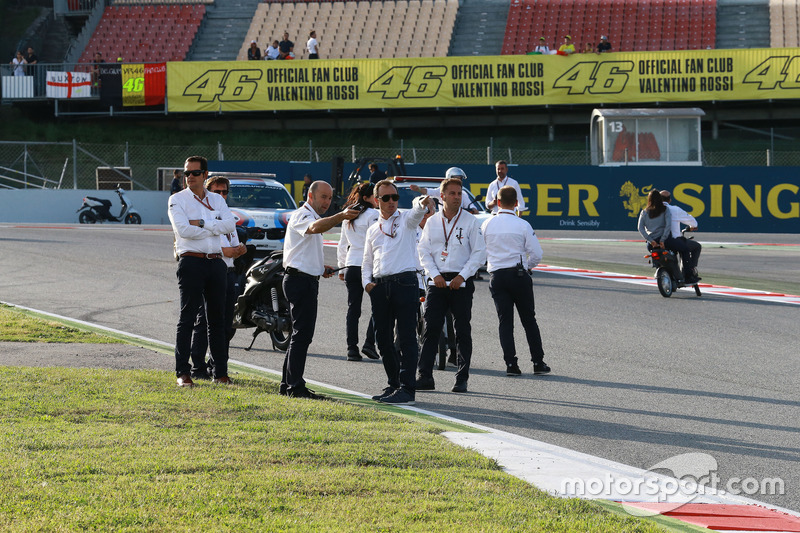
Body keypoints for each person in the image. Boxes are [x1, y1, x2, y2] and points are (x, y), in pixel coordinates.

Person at [281, 181, 360, 399]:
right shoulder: (302, 215)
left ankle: (287, 383)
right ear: (310, 196)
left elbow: (304, 247)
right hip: (299, 281)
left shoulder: (313, 217)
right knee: (302, 336)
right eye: (323, 197)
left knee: (301, 335)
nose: (327, 202)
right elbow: (314, 229)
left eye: (329, 198)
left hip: (306, 278)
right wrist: (342, 216)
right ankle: (295, 386)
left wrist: (320, 267)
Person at [363, 180, 434, 405]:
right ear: (377, 201)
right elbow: (366, 260)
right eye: (386, 198)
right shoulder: (373, 229)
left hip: (405, 283)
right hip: (380, 285)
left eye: (394, 197)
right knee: (381, 338)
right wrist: (367, 284)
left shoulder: (406, 220)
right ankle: (394, 384)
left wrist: (422, 202)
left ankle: (407, 389)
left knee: (406, 338)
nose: (392, 201)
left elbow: (416, 212)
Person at [168, 156, 236, 387]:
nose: (189, 177)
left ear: (205, 174)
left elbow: (229, 225)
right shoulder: (177, 200)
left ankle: (220, 373)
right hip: (192, 262)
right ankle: (183, 373)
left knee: (217, 320)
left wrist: (202, 223)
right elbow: (184, 231)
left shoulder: (217, 199)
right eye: (186, 173)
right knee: (187, 318)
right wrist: (213, 226)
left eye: (195, 173)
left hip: (216, 262)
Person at [416, 177, 486, 393]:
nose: (457, 197)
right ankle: (425, 376)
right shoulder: (433, 222)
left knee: (462, 330)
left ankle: (461, 378)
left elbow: (479, 253)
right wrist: (434, 274)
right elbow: (423, 251)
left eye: (459, 193)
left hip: (460, 283)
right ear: (442, 196)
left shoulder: (471, 222)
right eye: (453, 193)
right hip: (436, 282)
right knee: (431, 329)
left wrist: (462, 276)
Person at [482, 186, 551, 377]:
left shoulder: (487, 224)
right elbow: (537, 253)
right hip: (518, 274)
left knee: (505, 322)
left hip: (497, 275)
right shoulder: (522, 224)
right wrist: (528, 267)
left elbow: (480, 251)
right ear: (516, 204)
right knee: (529, 320)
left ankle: (511, 364)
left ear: (497, 202)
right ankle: (538, 362)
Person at [189, 176, 248, 379]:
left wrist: (240, 249)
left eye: (225, 192)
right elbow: (205, 244)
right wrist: (228, 251)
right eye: (217, 192)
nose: (222, 195)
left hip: (229, 274)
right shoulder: (201, 216)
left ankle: (217, 366)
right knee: (204, 322)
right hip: (208, 271)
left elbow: (234, 245)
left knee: (226, 326)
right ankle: (197, 368)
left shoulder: (228, 216)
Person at [337, 182, 380, 361]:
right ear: (367, 198)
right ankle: (369, 343)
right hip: (369, 266)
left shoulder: (349, 215)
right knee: (380, 307)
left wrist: (341, 265)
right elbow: (378, 241)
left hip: (351, 265)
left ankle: (351, 349)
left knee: (353, 308)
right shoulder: (374, 215)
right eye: (375, 196)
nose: (378, 199)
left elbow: (342, 243)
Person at [661, 189, 702, 282]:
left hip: (655, 241)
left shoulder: (651, 210)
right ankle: (689, 273)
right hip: (673, 240)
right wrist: (692, 227)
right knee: (695, 247)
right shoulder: (674, 209)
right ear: (669, 200)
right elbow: (693, 222)